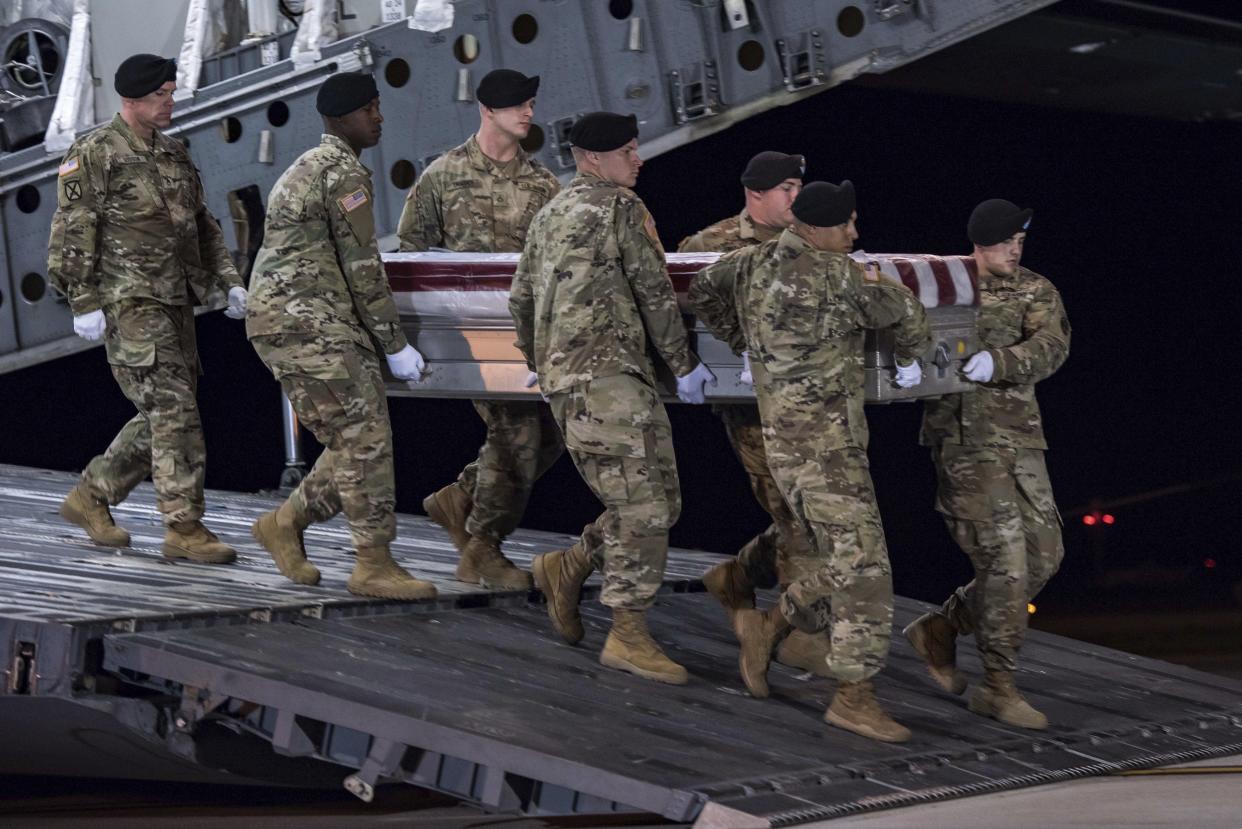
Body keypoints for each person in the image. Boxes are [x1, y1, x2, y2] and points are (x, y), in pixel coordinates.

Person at [693, 180, 929, 742]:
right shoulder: (839, 278)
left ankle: (777, 627)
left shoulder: (748, 264)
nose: (855, 234)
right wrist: (914, 358)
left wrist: (743, 339)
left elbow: (702, 289)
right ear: (820, 227)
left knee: (848, 556)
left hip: (782, 447)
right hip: (829, 450)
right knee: (866, 567)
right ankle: (849, 693)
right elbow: (906, 308)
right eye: (847, 224)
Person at [509, 111, 715, 684]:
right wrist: (684, 363)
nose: (638, 158)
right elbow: (653, 290)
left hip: (570, 382)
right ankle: (626, 635)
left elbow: (520, 298)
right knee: (646, 507)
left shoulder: (549, 214)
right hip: (608, 378)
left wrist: (539, 361)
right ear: (593, 158)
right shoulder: (620, 207)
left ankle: (567, 567)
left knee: (655, 502)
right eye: (628, 149)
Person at [48, 53, 245, 564]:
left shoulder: (174, 154)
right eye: (162, 95)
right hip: (127, 300)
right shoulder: (94, 152)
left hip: (175, 299)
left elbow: (202, 225)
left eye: (172, 93)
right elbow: (72, 227)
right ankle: (184, 527)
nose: (170, 102)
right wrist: (83, 300)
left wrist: (229, 281)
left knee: (163, 411)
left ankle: (91, 496)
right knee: (174, 408)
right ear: (132, 99)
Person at [245, 71, 435, 600]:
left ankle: (284, 524)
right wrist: (395, 345)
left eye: (377, 107)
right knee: (367, 436)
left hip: (289, 321)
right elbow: (363, 268)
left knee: (355, 438)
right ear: (341, 119)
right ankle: (372, 563)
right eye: (369, 109)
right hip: (309, 322)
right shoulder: (344, 176)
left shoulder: (308, 165)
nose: (378, 117)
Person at [903, 199, 1070, 730]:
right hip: (964, 441)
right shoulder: (944, 284)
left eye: (1020, 242)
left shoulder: (1034, 289)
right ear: (981, 242)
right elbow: (906, 335)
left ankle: (944, 627)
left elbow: (1051, 345)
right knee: (1005, 564)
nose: (1015, 252)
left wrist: (999, 360)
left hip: (1020, 440)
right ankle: (998, 687)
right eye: (1006, 243)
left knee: (1045, 556)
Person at [397, 69, 560, 591]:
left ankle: (462, 495)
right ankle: (483, 549)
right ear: (488, 110)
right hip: (470, 336)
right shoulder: (443, 176)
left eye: (531, 103)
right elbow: (410, 254)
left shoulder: (543, 184)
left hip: (529, 334)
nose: (528, 113)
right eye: (518, 105)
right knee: (518, 437)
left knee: (553, 434)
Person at [681, 151, 830, 677]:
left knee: (808, 509)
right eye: (787, 187)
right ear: (756, 193)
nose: (797, 197)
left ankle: (738, 578)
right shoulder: (712, 244)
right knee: (798, 512)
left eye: (800, 186)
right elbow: (682, 303)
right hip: (753, 406)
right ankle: (803, 637)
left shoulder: (813, 237)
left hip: (810, 400)